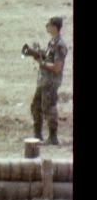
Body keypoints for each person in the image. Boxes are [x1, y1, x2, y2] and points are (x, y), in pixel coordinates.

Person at [31, 16, 68, 146]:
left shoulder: (59, 45)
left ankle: (53, 138)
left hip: (51, 81)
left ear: (54, 27)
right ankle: (37, 135)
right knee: (36, 106)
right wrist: (38, 53)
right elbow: (48, 58)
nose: (47, 26)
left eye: (49, 24)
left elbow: (57, 68)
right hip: (44, 80)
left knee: (49, 107)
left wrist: (42, 63)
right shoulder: (52, 42)